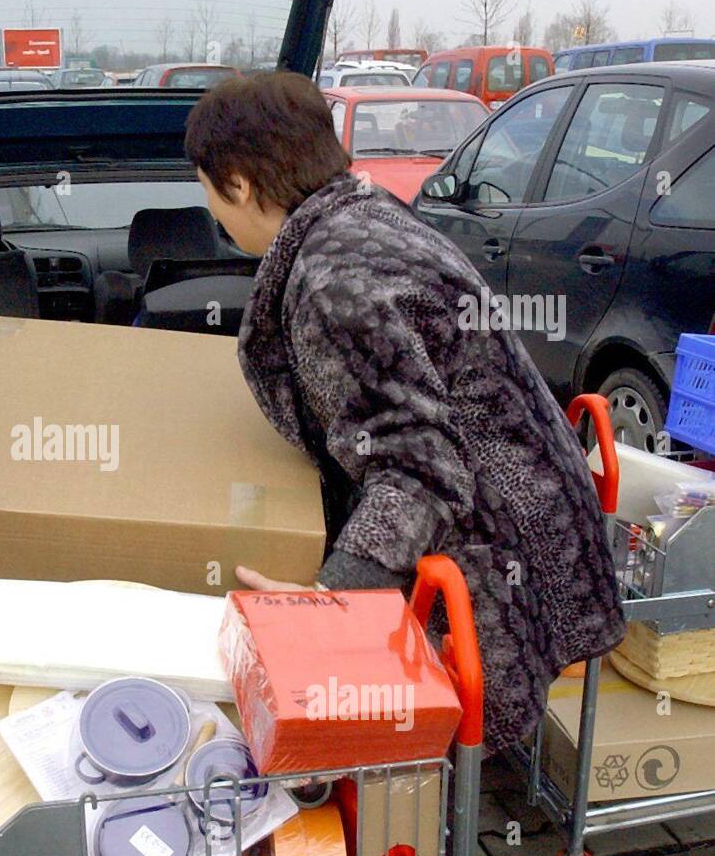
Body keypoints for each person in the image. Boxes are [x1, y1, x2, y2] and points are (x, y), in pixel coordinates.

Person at [185, 72, 625, 754]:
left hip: (500, 551)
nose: (212, 208)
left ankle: (431, 831)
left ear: (239, 184)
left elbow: (421, 471)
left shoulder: (337, 282)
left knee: (384, 760)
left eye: (208, 189)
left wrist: (332, 601)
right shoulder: (361, 217)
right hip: (536, 519)